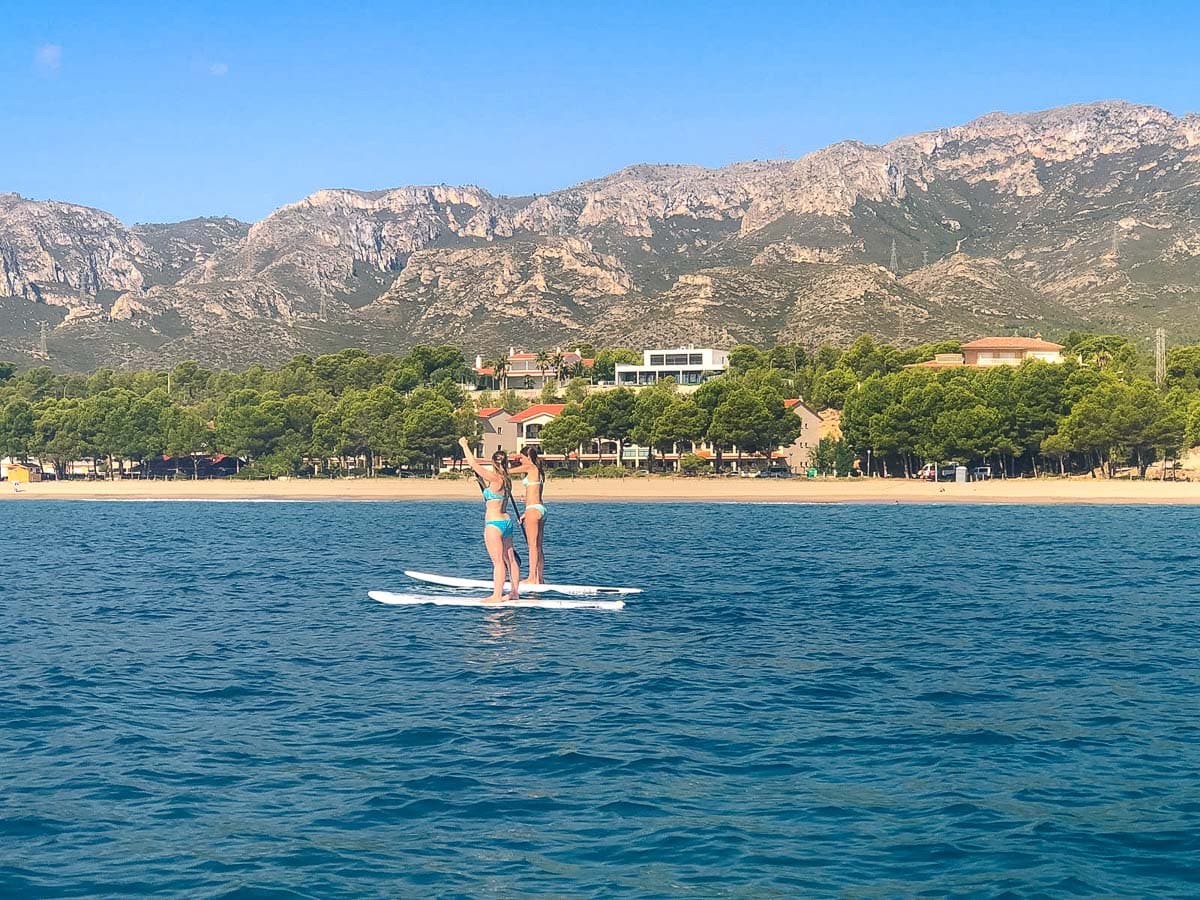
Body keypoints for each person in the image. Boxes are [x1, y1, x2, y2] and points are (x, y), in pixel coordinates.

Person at [457, 437, 521, 603]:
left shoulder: (495, 478)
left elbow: (473, 464)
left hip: (494, 524)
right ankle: (514, 592)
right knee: (511, 559)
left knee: (498, 562)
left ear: (493, 463)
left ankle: (496, 596)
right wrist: (480, 481)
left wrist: (465, 445)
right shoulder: (506, 479)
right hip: (507, 522)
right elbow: (494, 494)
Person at [510, 447, 547, 585]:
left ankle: (532, 578)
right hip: (540, 509)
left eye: (522, 457)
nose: (521, 460)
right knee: (538, 546)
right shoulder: (539, 471)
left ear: (528, 457)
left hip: (533, 509)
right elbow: (537, 495)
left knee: (532, 546)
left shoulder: (530, 467)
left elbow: (508, 472)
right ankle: (540, 578)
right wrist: (526, 513)